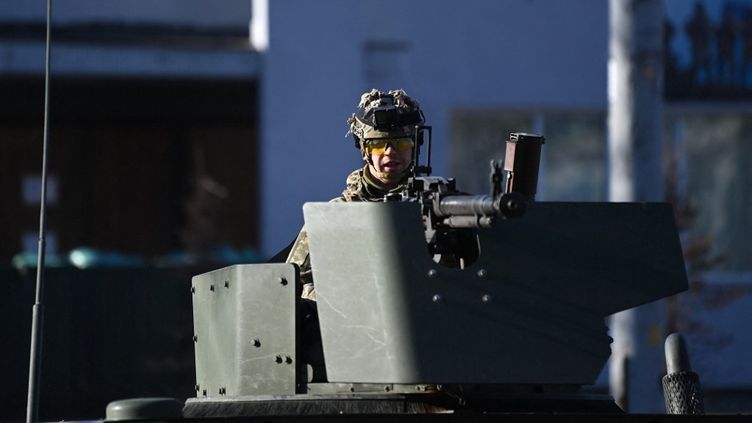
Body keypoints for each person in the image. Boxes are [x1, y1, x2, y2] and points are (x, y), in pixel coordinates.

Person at [286, 88, 425, 301]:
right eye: (378, 145)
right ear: (364, 150)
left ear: (414, 147)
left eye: (401, 143)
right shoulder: (335, 215)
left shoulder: (433, 209)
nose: (390, 152)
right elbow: (291, 282)